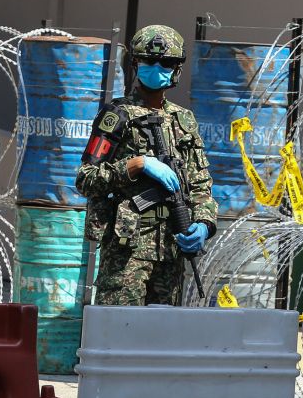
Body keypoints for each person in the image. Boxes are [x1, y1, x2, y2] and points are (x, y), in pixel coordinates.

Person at [76, 24, 217, 306]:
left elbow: (200, 184)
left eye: (166, 62)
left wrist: (203, 224)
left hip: (171, 248)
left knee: (162, 340)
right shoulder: (116, 115)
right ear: (136, 64)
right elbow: (86, 178)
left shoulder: (183, 120)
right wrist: (136, 165)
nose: (157, 67)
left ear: (177, 68)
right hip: (127, 250)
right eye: (149, 61)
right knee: (118, 334)